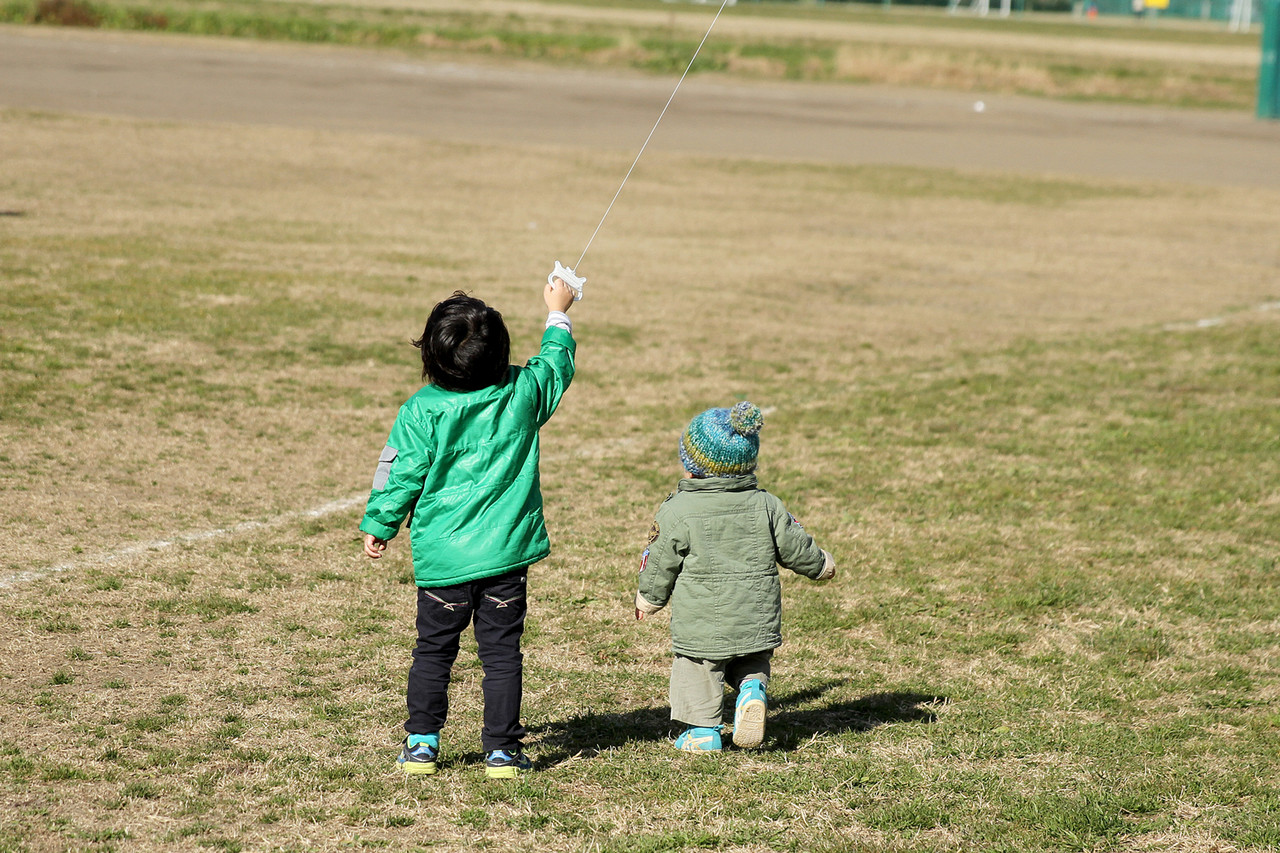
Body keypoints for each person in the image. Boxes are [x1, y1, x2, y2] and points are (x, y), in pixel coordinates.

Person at [360, 276, 578, 778]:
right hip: (505, 556)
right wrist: (558, 313)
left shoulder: (421, 410)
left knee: (433, 651)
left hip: (443, 560)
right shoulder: (522, 392)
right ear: (501, 354)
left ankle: (421, 744)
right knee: (501, 656)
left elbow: (398, 473)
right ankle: (502, 751)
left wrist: (380, 521)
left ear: (431, 356)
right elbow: (555, 366)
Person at [634, 401, 836, 751]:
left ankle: (702, 732)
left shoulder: (678, 510)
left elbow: (660, 560)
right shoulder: (767, 504)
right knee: (752, 660)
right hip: (756, 618)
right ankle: (752, 691)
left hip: (702, 623)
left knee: (698, 668)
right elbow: (795, 545)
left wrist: (649, 599)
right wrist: (820, 565)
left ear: (691, 465)